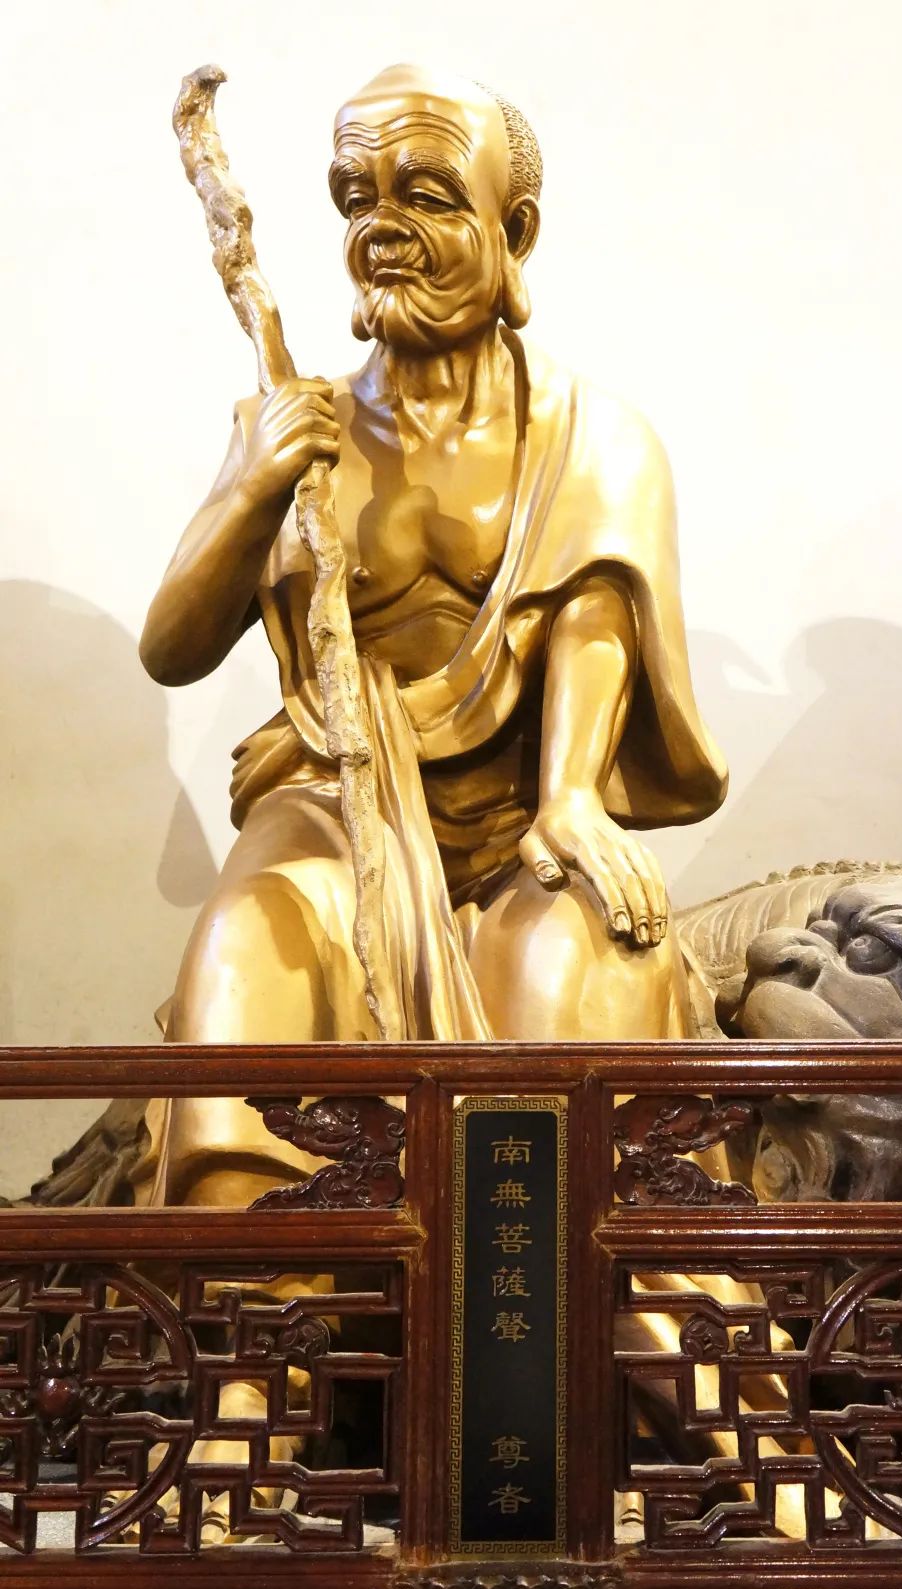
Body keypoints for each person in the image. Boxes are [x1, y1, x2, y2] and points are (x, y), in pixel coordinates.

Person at [135, 64, 726, 1204]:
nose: (382, 229)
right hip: (334, 801)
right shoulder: (292, 426)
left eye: (426, 196)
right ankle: (261, 1302)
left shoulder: (595, 438)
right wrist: (253, 489)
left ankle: (555, 1303)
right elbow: (172, 648)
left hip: (521, 811)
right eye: (356, 198)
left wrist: (570, 796)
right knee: (249, 949)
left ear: (515, 230)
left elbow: (593, 613)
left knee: (571, 969)